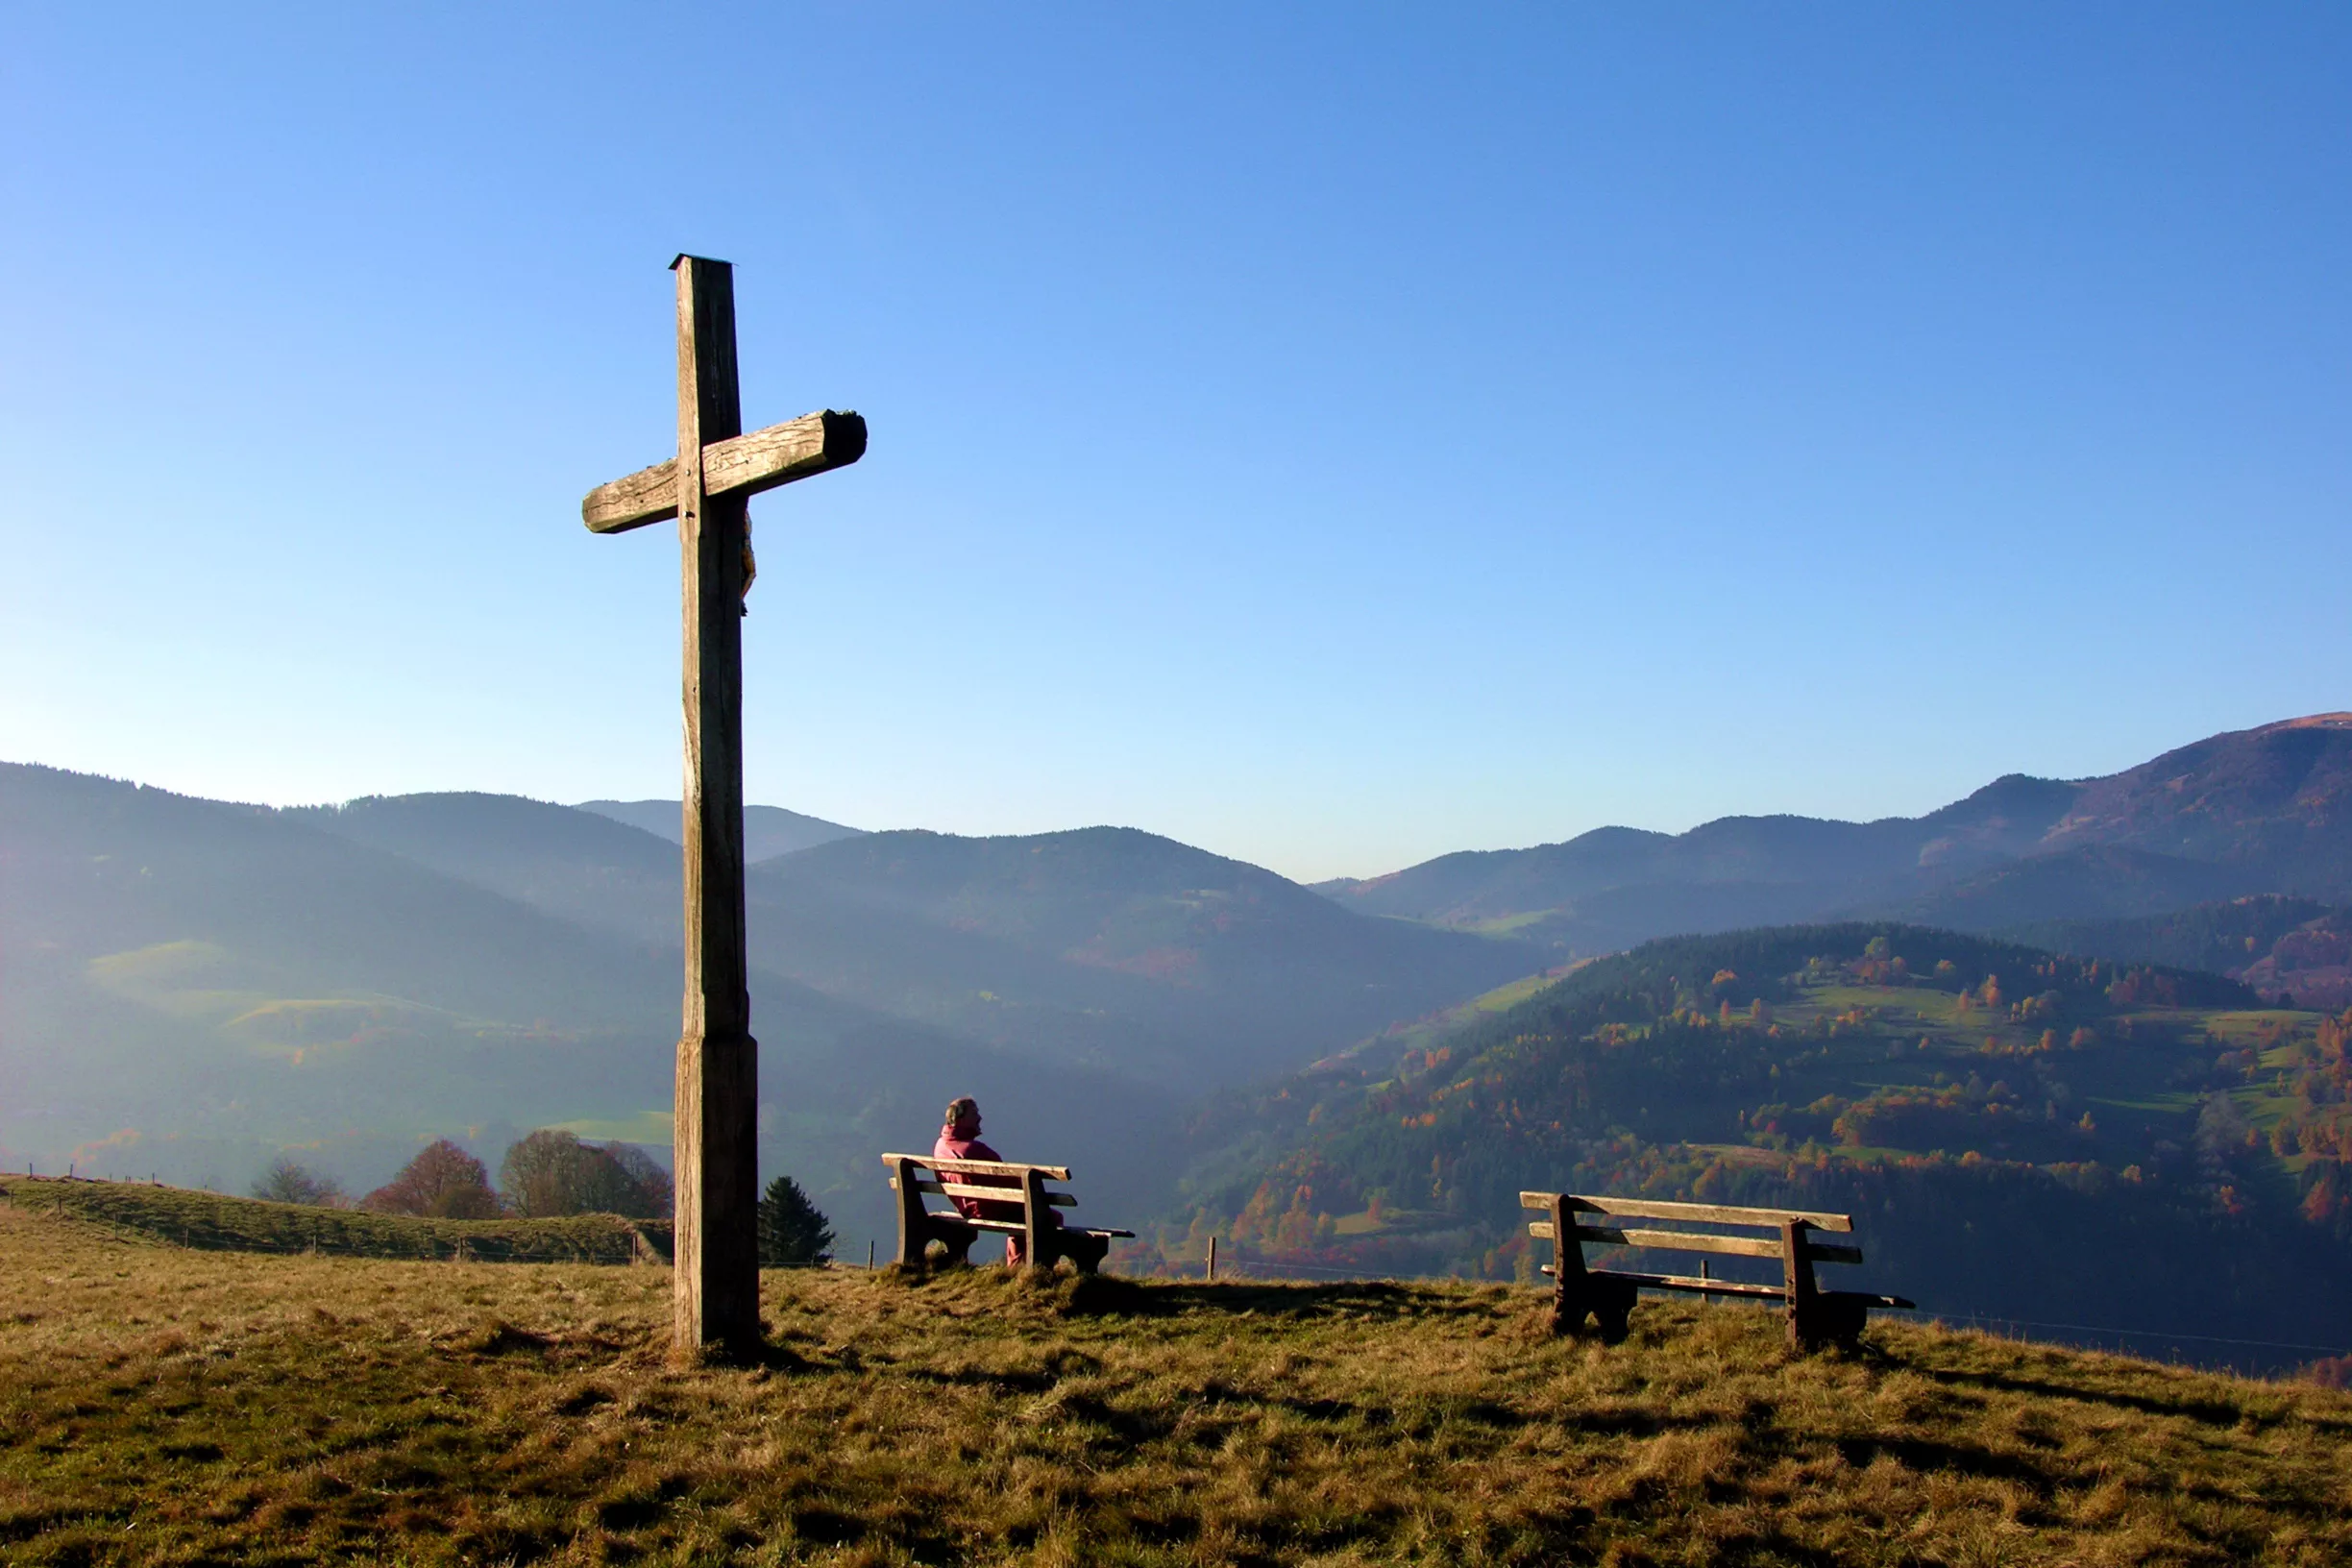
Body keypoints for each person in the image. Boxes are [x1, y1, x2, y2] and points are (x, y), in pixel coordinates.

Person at [932, 1096, 1053, 1266]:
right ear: (960, 1119)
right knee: (1046, 1217)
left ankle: (1018, 1267)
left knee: (1025, 1215)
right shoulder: (974, 1150)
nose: (979, 1118)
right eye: (974, 1114)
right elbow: (1008, 1181)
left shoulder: (941, 1146)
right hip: (986, 1208)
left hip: (966, 1208)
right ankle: (1034, 1269)